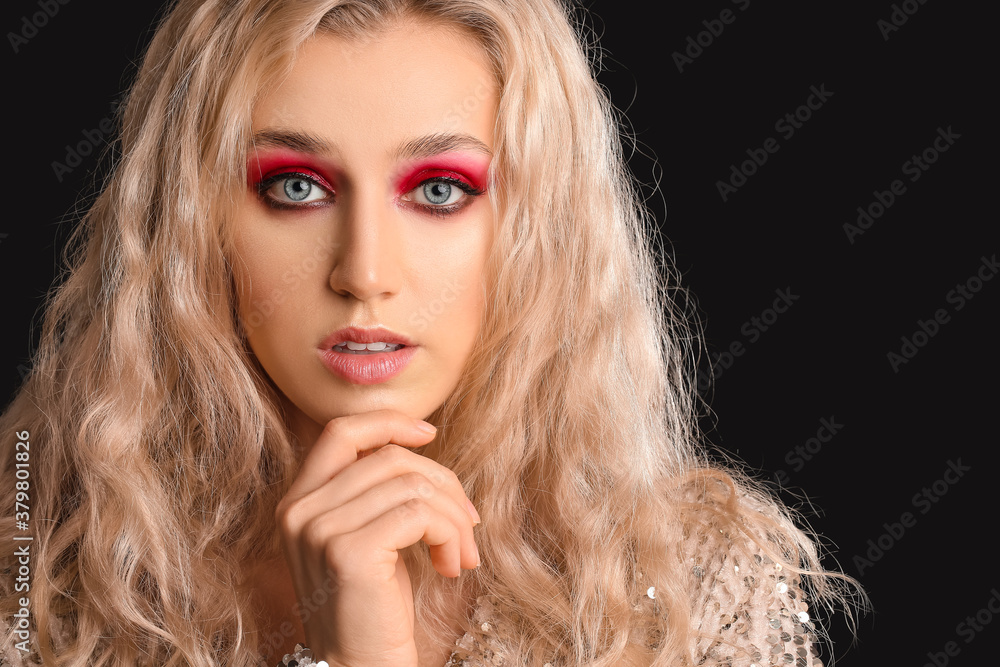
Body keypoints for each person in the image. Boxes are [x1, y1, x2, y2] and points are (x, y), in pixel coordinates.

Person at [0, 0, 863, 665]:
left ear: (536, 223)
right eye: (296, 187)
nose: (365, 271)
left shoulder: (699, 584)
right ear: (189, 221)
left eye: (440, 190)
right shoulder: (33, 563)